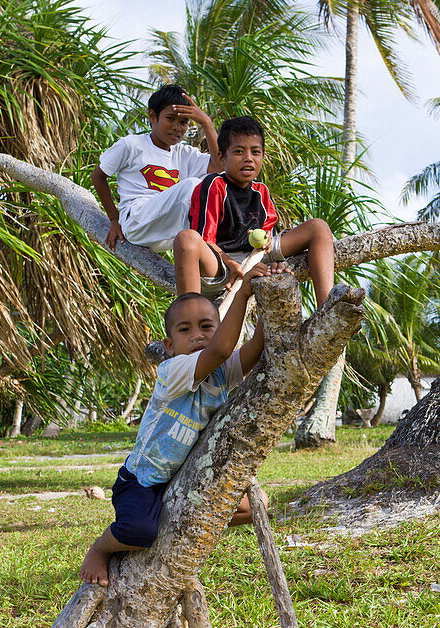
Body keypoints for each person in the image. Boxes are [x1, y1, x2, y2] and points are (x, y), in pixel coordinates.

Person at [79, 262, 282, 586]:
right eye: (185, 330)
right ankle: (101, 547)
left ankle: (174, 525)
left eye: (206, 326)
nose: (198, 335)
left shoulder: (221, 370)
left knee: (250, 508)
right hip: (142, 480)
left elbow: (254, 350)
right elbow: (220, 350)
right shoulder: (173, 370)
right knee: (139, 531)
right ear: (170, 345)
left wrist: (268, 299)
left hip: (179, 480)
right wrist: (243, 293)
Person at [175, 116, 335, 307]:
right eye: (239, 151)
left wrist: (272, 256)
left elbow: (268, 237)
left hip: (255, 256)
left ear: (262, 156)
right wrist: (230, 263)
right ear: (221, 157)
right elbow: (205, 240)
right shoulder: (214, 185)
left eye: (255, 152)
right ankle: (189, 313)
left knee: (318, 227)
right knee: (186, 239)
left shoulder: (261, 191)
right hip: (221, 261)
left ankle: (327, 307)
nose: (248, 158)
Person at [91, 85, 222, 256]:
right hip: (137, 223)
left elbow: (220, 166)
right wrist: (114, 219)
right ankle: (213, 248)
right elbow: (98, 176)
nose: (177, 127)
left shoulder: (184, 154)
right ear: (152, 116)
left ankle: (216, 252)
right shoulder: (131, 145)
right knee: (193, 186)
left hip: (167, 234)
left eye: (183, 122)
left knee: (217, 185)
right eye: (170, 118)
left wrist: (207, 123)